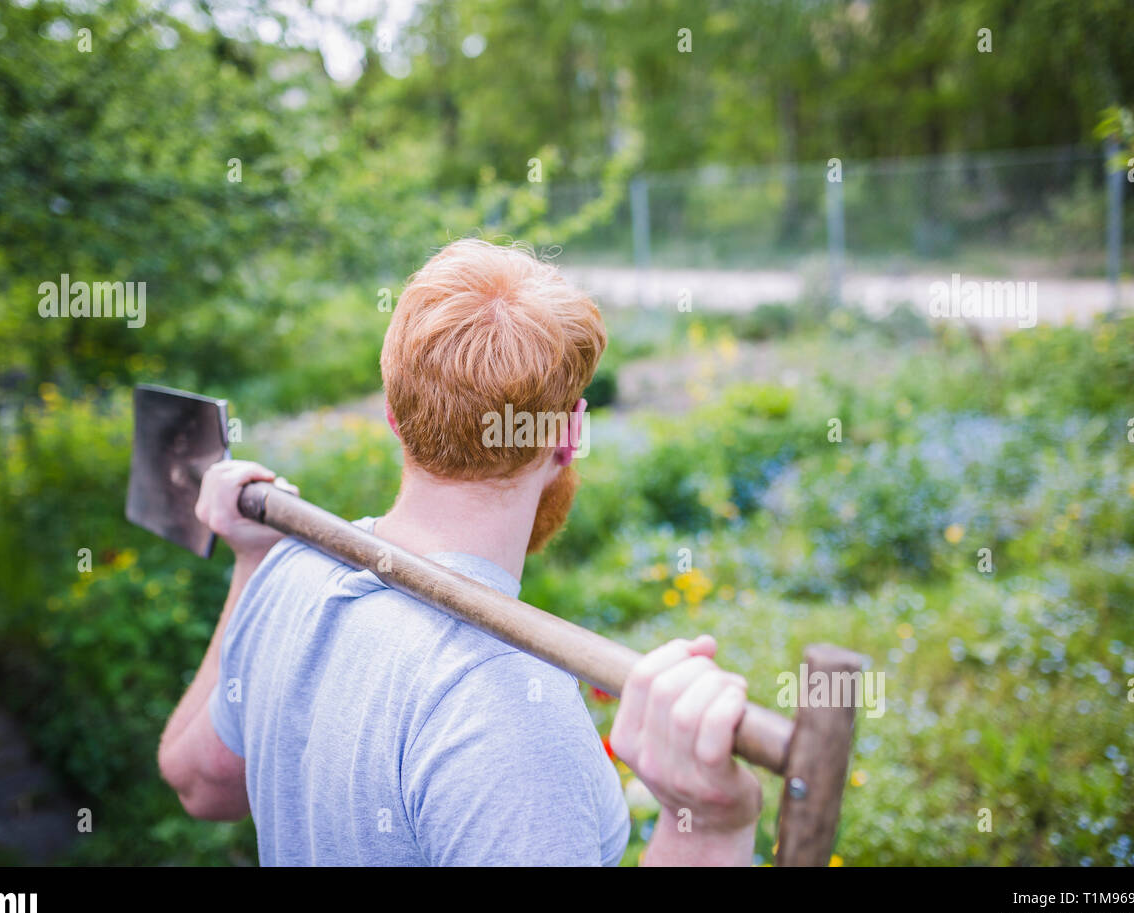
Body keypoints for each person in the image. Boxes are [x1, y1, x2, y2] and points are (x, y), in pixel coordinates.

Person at [158, 239, 761, 865]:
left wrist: (252, 563)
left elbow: (198, 782)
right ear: (570, 436)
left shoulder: (291, 570)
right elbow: (204, 785)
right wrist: (708, 831)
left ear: (392, 414)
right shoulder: (512, 712)